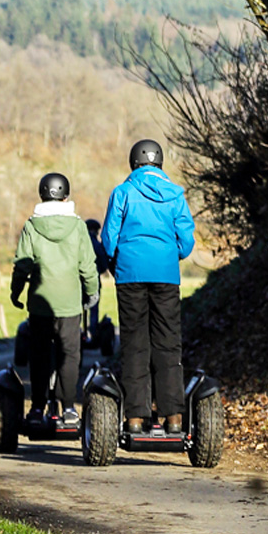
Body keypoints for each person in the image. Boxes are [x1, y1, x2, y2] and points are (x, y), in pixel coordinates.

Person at [101, 139, 196, 434]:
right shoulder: (175, 194)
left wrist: (118, 262)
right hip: (166, 276)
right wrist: (169, 256)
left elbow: (108, 239)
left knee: (135, 344)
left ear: (134, 163)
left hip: (130, 275)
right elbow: (187, 241)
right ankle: (173, 417)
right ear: (160, 163)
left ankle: (136, 418)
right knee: (168, 343)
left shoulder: (123, 192)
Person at [10, 173, 100, 426]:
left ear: (41, 194)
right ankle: (69, 408)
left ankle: (38, 407)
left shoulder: (31, 226)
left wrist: (15, 293)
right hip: (70, 305)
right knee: (69, 354)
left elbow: (22, 266)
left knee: (39, 355)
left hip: (39, 303)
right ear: (66, 196)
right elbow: (87, 266)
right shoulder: (79, 226)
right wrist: (92, 292)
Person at [84, 219, 111, 342]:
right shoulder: (96, 244)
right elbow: (104, 264)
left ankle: (79, 335)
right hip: (94, 280)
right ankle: (92, 333)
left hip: (77, 282)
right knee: (93, 308)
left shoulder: (79, 242)